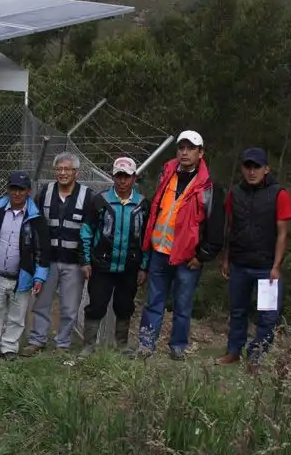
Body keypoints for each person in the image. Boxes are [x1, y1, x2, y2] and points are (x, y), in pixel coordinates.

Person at [136, 130, 225, 360]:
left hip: (188, 259)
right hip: (160, 252)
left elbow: (215, 227)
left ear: (201, 152)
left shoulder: (209, 187)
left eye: (191, 148)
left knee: (182, 306)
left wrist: (202, 255)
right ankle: (146, 345)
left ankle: (177, 347)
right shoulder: (167, 174)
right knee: (154, 302)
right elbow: (157, 209)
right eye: (181, 147)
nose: (185, 152)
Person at [217, 147, 291, 372]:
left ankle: (256, 357)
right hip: (239, 264)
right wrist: (226, 259)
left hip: (266, 266)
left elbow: (283, 233)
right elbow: (230, 227)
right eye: (247, 167)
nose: (252, 172)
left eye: (257, 167)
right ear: (242, 168)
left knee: (268, 316)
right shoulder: (234, 193)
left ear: (266, 169)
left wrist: (276, 266)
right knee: (237, 311)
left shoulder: (279, 194)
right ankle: (233, 352)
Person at [22, 152, 97, 356]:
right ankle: (37, 341)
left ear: (76, 172)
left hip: (74, 263)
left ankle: (62, 344)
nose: (62, 173)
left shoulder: (88, 196)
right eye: (59, 169)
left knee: (69, 307)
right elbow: (36, 226)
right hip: (48, 261)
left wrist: (86, 261)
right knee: (42, 303)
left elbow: (90, 231)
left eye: (67, 169)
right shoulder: (45, 192)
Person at [79, 157, 149, 358]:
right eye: (119, 175)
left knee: (125, 306)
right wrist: (85, 261)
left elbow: (146, 238)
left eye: (127, 176)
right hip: (102, 265)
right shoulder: (100, 200)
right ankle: (89, 346)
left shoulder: (143, 204)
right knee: (96, 305)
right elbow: (86, 231)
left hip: (130, 266)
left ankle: (122, 346)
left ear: (134, 178)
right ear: (113, 176)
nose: (122, 181)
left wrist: (144, 266)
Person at [0, 171, 50, 360]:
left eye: (21, 190)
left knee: (17, 317)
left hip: (22, 277)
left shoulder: (36, 218)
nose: (17, 193)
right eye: (13, 189)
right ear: (8, 190)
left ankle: (9, 348)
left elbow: (43, 249)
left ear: (28, 192)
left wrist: (39, 276)